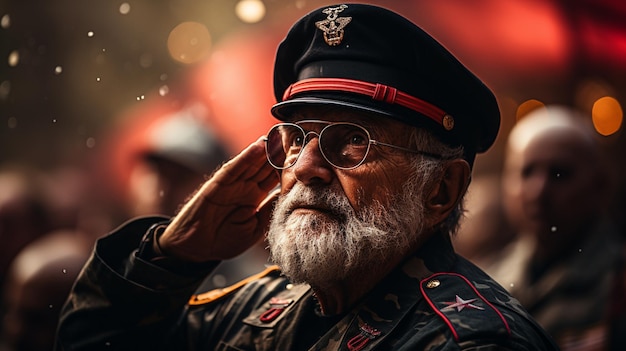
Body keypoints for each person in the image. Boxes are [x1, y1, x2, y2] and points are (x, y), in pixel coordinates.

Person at [55, 4, 558, 350]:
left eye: (353, 141)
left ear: (440, 189)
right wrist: (173, 255)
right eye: (297, 138)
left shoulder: (470, 340)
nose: (304, 167)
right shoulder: (259, 304)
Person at [487, 105, 626, 350]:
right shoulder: (487, 277)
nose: (538, 191)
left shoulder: (617, 278)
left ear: (600, 185)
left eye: (560, 173)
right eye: (526, 172)